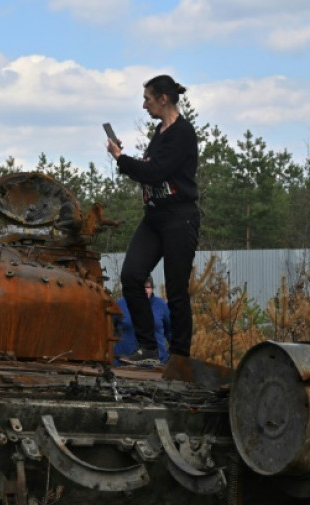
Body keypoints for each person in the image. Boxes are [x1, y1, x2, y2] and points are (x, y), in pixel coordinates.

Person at [107, 74, 199, 365]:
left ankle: (180, 355)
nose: (144, 105)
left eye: (147, 98)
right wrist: (129, 159)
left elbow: (156, 172)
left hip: (179, 218)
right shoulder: (159, 132)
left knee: (175, 289)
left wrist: (121, 158)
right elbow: (150, 168)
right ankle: (147, 349)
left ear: (163, 98)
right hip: (155, 217)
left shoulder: (183, 133)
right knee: (132, 276)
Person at [113, 276, 171, 364]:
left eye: (147, 287)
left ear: (152, 289)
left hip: (156, 366)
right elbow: (107, 330)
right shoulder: (120, 305)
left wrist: (177, 354)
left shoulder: (161, 305)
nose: (144, 290)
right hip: (123, 364)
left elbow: (170, 332)